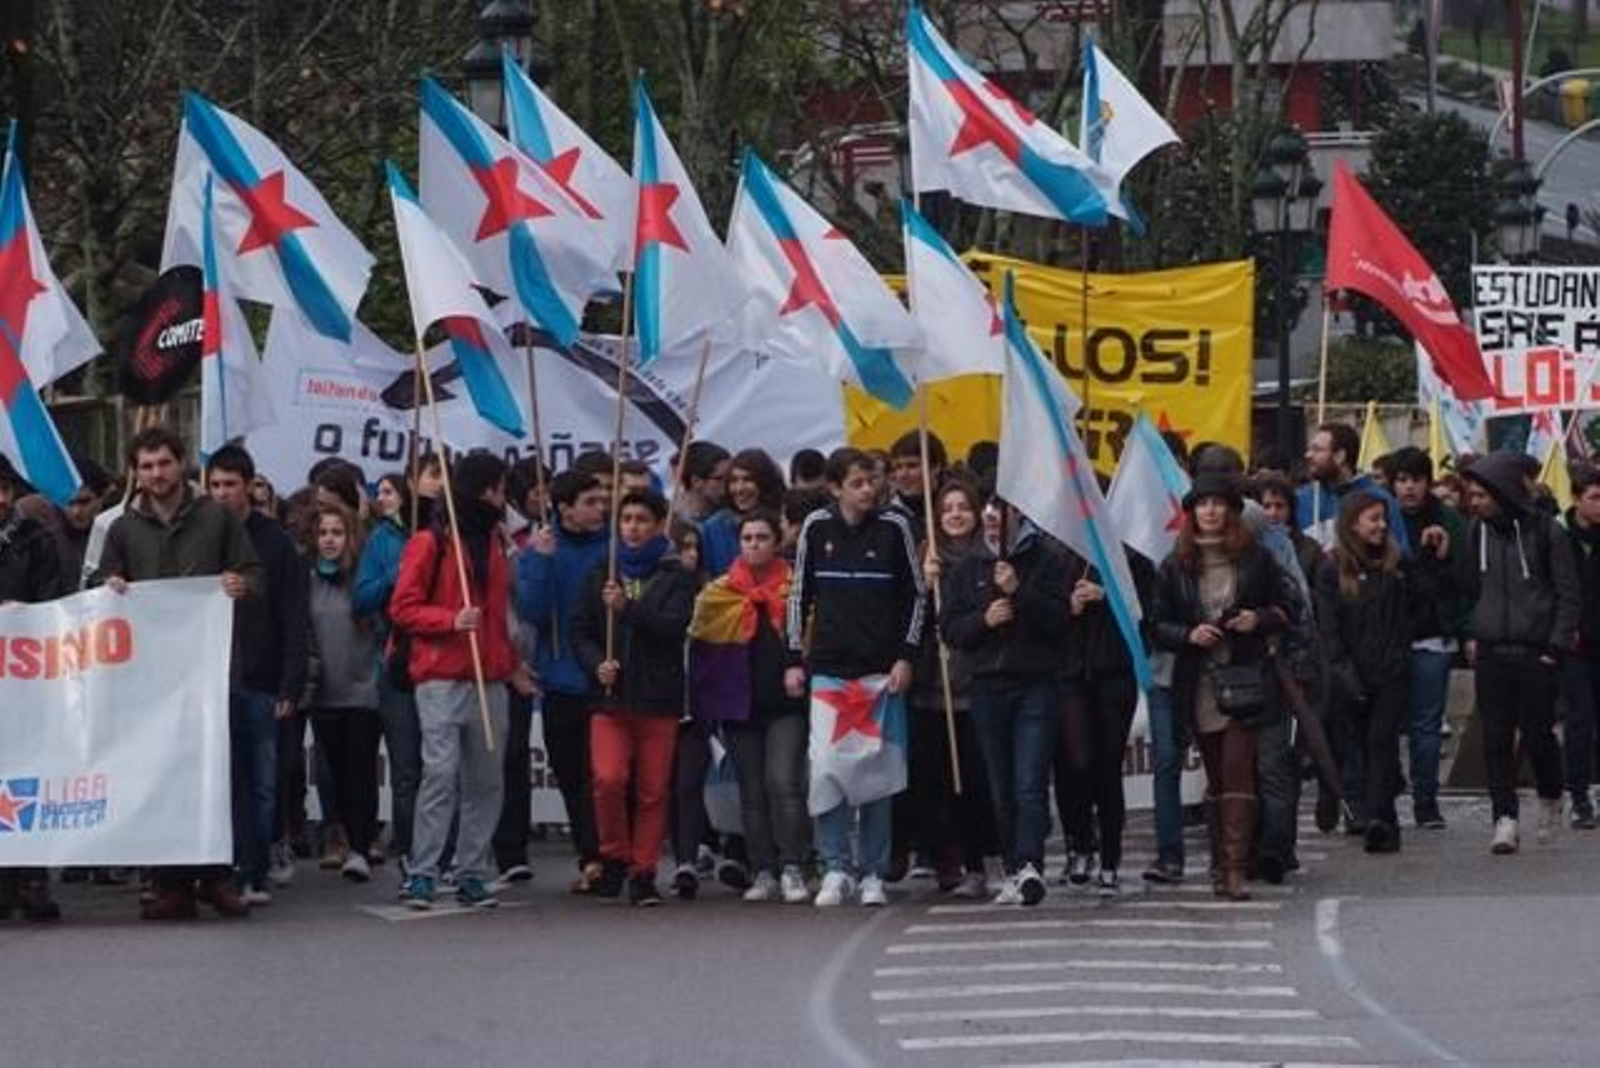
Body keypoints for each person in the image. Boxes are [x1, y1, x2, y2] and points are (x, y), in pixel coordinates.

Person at [97, 426, 260, 920]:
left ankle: (217, 876)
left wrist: (240, 584)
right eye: (145, 466)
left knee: (218, 771)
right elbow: (97, 586)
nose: (155, 474)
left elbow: (255, 573)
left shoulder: (217, 518)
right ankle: (170, 883)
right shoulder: (123, 529)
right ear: (135, 472)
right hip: (151, 677)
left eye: (163, 463)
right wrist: (111, 586)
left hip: (211, 671)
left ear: (181, 462)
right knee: (161, 774)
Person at [391, 452, 535, 910]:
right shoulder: (429, 541)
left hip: (488, 677)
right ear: (482, 489)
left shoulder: (493, 541)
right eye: (496, 489)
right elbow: (403, 607)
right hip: (440, 675)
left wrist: (510, 664)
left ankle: (471, 869)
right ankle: (423, 871)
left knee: (486, 779)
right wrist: (450, 619)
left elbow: (496, 615)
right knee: (440, 773)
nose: (501, 498)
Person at [787, 448, 925, 908]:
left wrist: (906, 656)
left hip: (880, 674)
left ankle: (873, 871)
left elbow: (916, 598)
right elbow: (798, 595)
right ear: (835, 487)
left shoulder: (896, 527)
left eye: (873, 482)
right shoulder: (815, 527)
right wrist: (794, 657)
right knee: (826, 769)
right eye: (859, 483)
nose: (869, 490)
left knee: (876, 774)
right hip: (829, 672)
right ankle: (835, 867)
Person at [1153, 474, 1296, 901]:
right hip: (1198, 683)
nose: (1211, 511)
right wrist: (1187, 635)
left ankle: (1234, 869)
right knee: (1216, 775)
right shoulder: (1173, 565)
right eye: (1203, 504)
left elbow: (1287, 608)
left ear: (1232, 511)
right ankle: (1218, 862)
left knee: (1237, 769)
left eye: (1219, 503)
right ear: (1191, 513)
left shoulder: (1255, 559)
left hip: (1245, 678)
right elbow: (1156, 625)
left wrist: (1258, 620)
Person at [942, 499, 1070, 907]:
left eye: (1002, 513)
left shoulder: (1046, 559)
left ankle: (1031, 864)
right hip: (987, 686)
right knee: (1001, 786)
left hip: (1036, 683)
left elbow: (1059, 620)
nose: (993, 522)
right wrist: (984, 620)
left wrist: (1021, 593)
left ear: (1019, 514)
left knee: (1029, 782)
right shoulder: (966, 567)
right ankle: (1014, 868)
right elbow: (951, 628)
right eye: (989, 516)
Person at [572, 489, 696, 906]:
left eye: (642, 519)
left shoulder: (676, 573)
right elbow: (581, 630)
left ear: (659, 524)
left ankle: (643, 870)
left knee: (653, 790)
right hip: (611, 696)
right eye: (626, 519)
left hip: (658, 697)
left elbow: (673, 626)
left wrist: (628, 608)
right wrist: (595, 664)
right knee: (607, 779)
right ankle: (614, 857)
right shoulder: (600, 571)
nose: (632, 527)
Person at [1316, 491, 1452, 854]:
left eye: (1383, 519)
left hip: (1392, 670)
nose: (1381, 526)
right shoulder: (1332, 569)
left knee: (1381, 740)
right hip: (1353, 675)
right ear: (1353, 524)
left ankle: (1378, 817)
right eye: (1373, 519)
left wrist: (1431, 560)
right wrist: (1346, 675)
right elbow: (1329, 631)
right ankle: (1379, 815)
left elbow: (1423, 602)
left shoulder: (1397, 563)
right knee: (1364, 745)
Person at [687, 509, 811, 903]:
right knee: (751, 792)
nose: (754, 544)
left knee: (784, 783)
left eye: (762, 537)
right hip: (738, 704)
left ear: (777, 543)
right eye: (747, 538)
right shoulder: (718, 593)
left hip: (786, 705)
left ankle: (794, 865)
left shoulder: (797, 588)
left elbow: (813, 639)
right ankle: (763, 870)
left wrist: (801, 671)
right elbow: (700, 646)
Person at [1459, 452, 1580, 854]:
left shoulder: (1548, 533)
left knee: (1538, 735)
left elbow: (1567, 592)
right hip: (1492, 649)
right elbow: (1466, 589)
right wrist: (1471, 631)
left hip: (1536, 652)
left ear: (1502, 492)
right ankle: (1504, 818)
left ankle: (1550, 794)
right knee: (1495, 738)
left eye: (1479, 494)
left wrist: (1556, 646)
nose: (1472, 501)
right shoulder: (1475, 533)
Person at [206, 445, 310, 906]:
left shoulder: (275, 541)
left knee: (265, 779)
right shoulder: (202, 535)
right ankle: (231, 869)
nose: (223, 493)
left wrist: (291, 681)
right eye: (215, 485)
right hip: (210, 677)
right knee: (227, 778)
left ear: (249, 485)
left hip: (262, 677)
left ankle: (256, 867)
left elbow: (292, 614)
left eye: (231, 484)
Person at [516, 470, 610, 892]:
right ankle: (591, 856)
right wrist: (539, 560)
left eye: (602, 500)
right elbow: (532, 611)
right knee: (572, 777)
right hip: (560, 680)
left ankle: (612, 853)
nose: (600, 509)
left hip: (606, 678)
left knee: (606, 777)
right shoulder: (542, 548)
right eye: (590, 501)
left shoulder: (614, 547)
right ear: (565, 507)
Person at [1056, 544, 1155, 898]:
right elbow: (1039, 611)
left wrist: (1108, 596)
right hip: (1070, 672)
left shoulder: (1132, 558)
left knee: (1108, 767)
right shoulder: (1060, 553)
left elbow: (1148, 613)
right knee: (1078, 763)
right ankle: (1081, 844)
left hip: (1114, 671)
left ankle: (1110, 858)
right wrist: (1067, 606)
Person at [916, 478, 997, 899]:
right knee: (951, 781)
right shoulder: (927, 561)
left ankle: (997, 853)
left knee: (984, 776)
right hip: (937, 686)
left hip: (981, 682)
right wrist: (926, 588)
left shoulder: (993, 557)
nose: (955, 515)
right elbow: (911, 620)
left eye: (962, 506)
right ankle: (969, 864)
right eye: (946, 508)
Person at [1388, 447, 1468, 830]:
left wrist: (1463, 630)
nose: (1409, 488)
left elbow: (1465, 581)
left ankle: (1425, 801)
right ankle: (1381, 796)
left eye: (1416, 479)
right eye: (1401, 480)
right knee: (1383, 724)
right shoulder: (1381, 518)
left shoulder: (1448, 520)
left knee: (1426, 725)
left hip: (1433, 636)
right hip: (1387, 637)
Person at [352, 471, 425, 886]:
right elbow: (361, 598)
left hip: (441, 662)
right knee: (406, 766)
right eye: (378, 493)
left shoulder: (438, 533)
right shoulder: (381, 540)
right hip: (396, 662)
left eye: (389, 491)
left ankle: (446, 851)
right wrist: (395, 576)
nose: (383, 499)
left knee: (443, 765)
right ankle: (410, 851)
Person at [0, 456, 65, 922]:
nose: (1, 499)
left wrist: (23, 613)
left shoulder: (36, 540)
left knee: (29, 777)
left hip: (26, 677)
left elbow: (53, 602)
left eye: (5, 489)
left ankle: (31, 877)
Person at [305, 502, 382, 882]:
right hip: (325, 692)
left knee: (360, 770)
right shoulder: (308, 580)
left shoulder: (362, 581)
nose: (329, 540)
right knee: (333, 772)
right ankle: (344, 834)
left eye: (337, 532)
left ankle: (360, 845)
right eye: (323, 533)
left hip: (363, 689)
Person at [1560, 465, 1600, 829]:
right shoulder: (1559, 536)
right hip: (1574, 644)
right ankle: (1578, 794)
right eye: (1595, 497)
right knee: (1579, 719)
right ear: (1577, 499)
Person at [1298, 423, 1408, 553]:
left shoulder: (1379, 499)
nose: (1308, 455)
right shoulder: (1302, 498)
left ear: (1340, 456)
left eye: (1317, 450)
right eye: (1310, 449)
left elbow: (1398, 554)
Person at [700, 448, 786, 578]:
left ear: (764, 482)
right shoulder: (712, 529)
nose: (739, 489)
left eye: (748, 479)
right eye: (733, 481)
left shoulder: (785, 520)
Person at [674, 441, 731, 523]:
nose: (732, 484)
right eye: (721, 478)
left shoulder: (730, 507)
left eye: (731, 475)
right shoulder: (678, 526)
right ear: (696, 481)